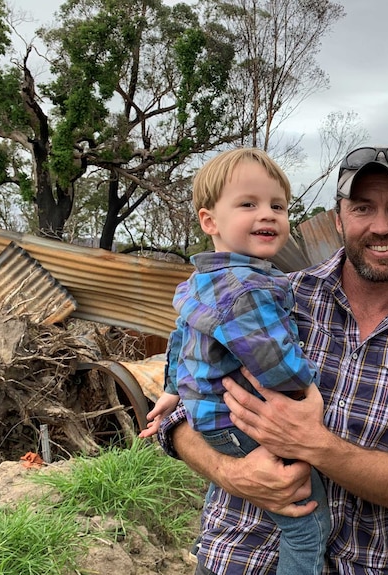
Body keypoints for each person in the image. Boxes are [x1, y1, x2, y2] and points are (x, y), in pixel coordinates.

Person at [157, 145, 388, 575]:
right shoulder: (274, 295)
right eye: (362, 208)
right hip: (236, 560)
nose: (381, 226)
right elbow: (175, 420)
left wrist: (314, 444)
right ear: (339, 219)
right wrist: (230, 472)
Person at [145, 147, 331, 575]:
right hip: (236, 421)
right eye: (249, 204)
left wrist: (174, 389)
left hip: (209, 418)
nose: (267, 214)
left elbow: (181, 336)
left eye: (277, 206)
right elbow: (277, 369)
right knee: (307, 524)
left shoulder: (204, 280)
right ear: (210, 221)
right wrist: (312, 390)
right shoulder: (244, 290)